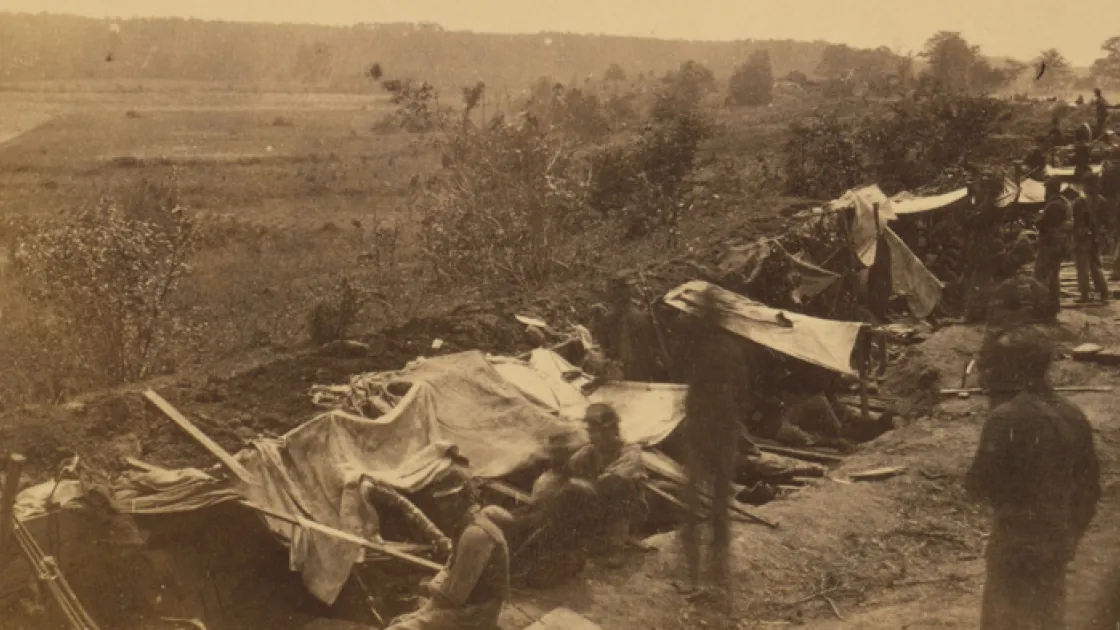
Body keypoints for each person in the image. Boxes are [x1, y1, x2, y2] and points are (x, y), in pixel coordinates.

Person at [965, 325, 1101, 629]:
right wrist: (1071, 534)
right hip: (1056, 538)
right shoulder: (1073, 414)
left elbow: (977, 485)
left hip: (1014, 542)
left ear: (1013, 369)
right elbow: (1090, 489)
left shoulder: (1005, 417)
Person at [679, 286, 755, 610]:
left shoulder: (701, 347)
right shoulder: (729, 347)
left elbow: (692, 383)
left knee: (701, 482)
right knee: (713, 484)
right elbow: (743, 388)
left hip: (710, 421)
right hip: (718, 421)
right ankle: (711, 540)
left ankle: (699, 539)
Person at [386, 467, 510, 630]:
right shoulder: (465, 528)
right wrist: (420, 613)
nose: (441, 506)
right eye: (440, 500)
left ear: (460, 498)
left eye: (446, 500)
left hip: (476, 615)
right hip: (465, 608)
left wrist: (422, 615)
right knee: (400, 621)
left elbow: (454, 596)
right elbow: (449, 572)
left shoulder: (476, 534)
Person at [568, 403, 645, 567]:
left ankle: (617, 548)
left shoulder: (631, 451)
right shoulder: (591, 450)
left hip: (632, 507)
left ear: (610, 431)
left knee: (619, 488)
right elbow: (570, 467)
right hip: (599, 500)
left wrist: (584, 485)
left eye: (595, 432)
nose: (592, 437)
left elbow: (614, 479)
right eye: (590, 431)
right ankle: (594, 541)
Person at [1033, 179, 1072, 316]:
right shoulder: (1064, 202)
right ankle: (1052, 306)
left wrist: (1038, 219)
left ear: (1050, 189)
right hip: (1060, 243)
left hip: (1051, 243)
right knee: (1053, 275)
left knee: (1041, 275)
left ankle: (1043, 307)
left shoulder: (1054, 205)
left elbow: (1044, 224)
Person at [1071, 175, 1110, 303]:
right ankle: (1103, 293)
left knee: (1082, 267)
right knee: (1096, 266)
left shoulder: (1079, 201)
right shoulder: (1102, 201)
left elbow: (1075, 222)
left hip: (1082, 238)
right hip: (1096, 238)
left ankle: (1085, 295)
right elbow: (1107, 222)